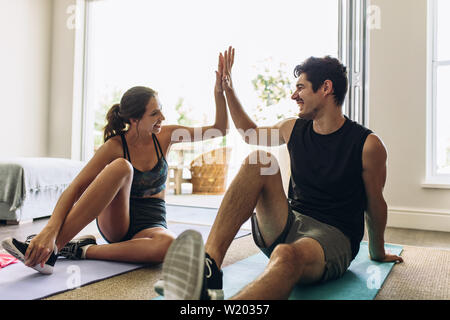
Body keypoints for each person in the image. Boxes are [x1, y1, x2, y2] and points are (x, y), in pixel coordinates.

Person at [160, 46, 404, 300]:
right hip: (287, 221)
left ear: (326, 88)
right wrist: (229, 90)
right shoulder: (292, 128)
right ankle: (209, 267)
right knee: (259, 161)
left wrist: (377, 252)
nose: (293, 95)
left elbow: (375, 202)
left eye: (300, 88)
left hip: (333, 236)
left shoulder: (367, 144)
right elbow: (250, 134)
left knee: (285, 256)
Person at [1, 53, 229, 275]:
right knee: (122, 167)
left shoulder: (166, 136)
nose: (163, 118)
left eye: (161, 111)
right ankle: (52, 248)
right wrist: (50, 229)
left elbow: (220, 128)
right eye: (155, 113)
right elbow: (76, 187)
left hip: (152, 224)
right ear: (134, 119)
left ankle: (81, 250)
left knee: (170, 245)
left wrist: (220, 91)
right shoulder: (115, 146)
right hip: (118, 222)